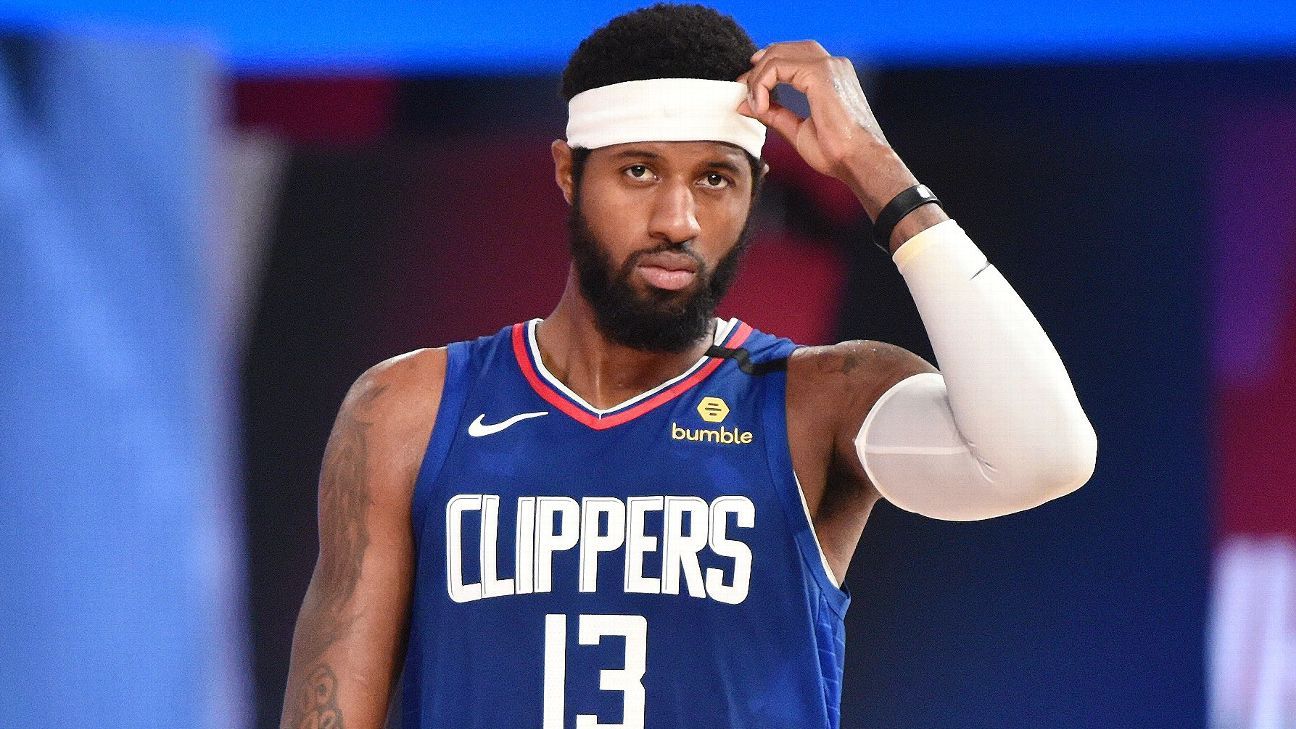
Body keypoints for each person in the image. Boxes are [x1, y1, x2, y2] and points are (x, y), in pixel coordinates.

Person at [278, 4, 1097, 728]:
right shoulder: (409, 408)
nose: (677, 219)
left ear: (756, 188)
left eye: (715, 178)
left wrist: (872, 165)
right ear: (569, 172)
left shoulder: (816, 402)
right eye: (639, 171)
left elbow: (1043, 455)